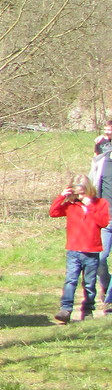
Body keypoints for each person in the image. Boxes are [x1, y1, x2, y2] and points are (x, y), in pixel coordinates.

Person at [48, 174, 109, 323]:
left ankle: (88, 310)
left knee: (89, 282)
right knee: (70, 280)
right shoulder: (70, 205)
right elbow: (53, 212)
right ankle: (66, 309)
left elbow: (103, 222)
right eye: (77, 193)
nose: (80, 196)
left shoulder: (100, 203)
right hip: (74, 250)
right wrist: (62, 196)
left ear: (88, 190)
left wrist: (90, 206)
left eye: (82, 193)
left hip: (91, 250)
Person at [89, 120, 112, 311]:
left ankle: (110, 300)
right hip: (106, 218)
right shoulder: (102, 158)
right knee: (101, 258)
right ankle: (106, 286)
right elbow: (92, 181)